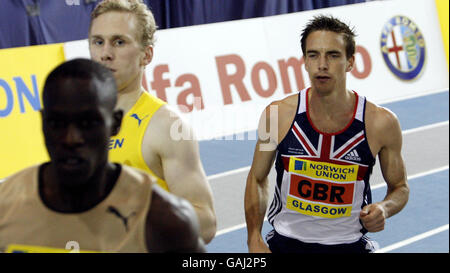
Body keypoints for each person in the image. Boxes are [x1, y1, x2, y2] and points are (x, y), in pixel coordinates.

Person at [0, 58, 205, 253]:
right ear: (43, 122)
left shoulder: (163, 220)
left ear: (115, 123)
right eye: (57, 124)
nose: (71, 139)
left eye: (88, 123)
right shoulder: (5, 205)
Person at [244, 15, 410, 253]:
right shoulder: (278, 115)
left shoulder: (381, 123)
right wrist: (254, 238)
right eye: (313, 55)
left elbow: (400, 187)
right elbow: (257, 178)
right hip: (285, 243)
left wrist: (384, 208)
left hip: (349, 245)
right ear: (304, 61)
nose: (322, 64)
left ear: (350, 62)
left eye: (333, 55)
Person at [88, 0, 216, 244]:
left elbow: (206, 224)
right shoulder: (76, 122)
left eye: (119, 42)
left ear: (146, 55)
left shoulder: (166, 127)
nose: (105, 53)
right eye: (98, 41)